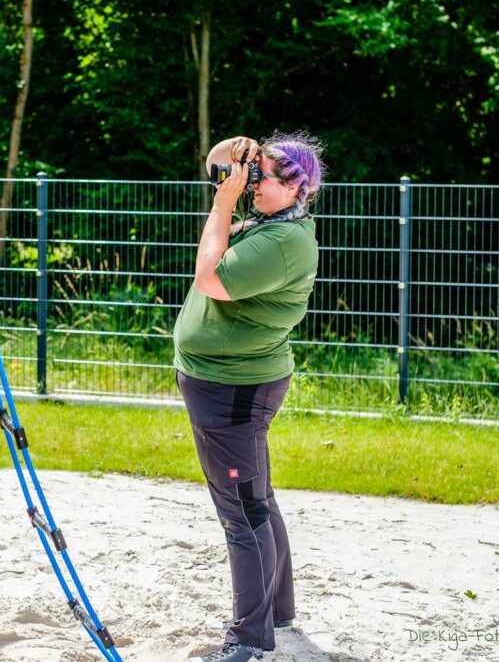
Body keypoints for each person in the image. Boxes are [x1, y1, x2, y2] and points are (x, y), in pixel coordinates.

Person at [174, 132, 324, 662]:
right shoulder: (274, 221)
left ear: (296, 187)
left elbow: (210, 279)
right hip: (228, 381)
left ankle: (250, 638)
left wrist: (222, 204)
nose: (254, 183)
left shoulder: (282, 242)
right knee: (256, 501)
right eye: (255, 171)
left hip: (232, 388)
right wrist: (229, 154)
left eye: (265, 177)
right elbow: (215, 167)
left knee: (242, 512)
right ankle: (276, 613)